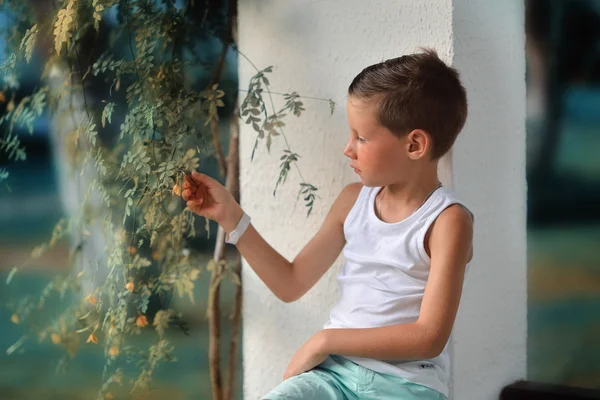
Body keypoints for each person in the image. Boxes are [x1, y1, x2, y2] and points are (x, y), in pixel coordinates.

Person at [179, 48, 473, 400]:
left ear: (414, 144)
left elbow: (429, 337)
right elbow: (291, 282)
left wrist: (325, 340)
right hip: (332, 378)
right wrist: (230, 216)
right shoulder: (352, 202)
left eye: (361, 138)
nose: (348, 149)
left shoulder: (447, 220)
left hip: (405, 388)